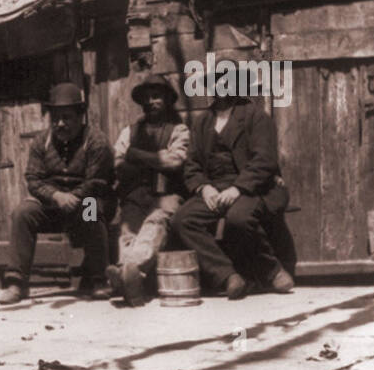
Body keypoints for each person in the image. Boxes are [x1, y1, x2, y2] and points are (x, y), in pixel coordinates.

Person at [0, 82, 115, 305]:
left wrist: (73, 197)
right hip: (53, 204)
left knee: (91, 208)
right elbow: (33, 179)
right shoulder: (41, 142)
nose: (60, 123)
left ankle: (100, 280)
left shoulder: (96, 141)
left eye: (67, 117)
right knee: (23, 212)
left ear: (81, 116)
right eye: (55, 118)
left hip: (85, 204)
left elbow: (97, 181)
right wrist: (56, 196)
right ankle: (16, 283)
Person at [171, 93, 294, 299]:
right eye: (218, 80)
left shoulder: (256, 117)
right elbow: (191, 165)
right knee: (182, 220)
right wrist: (203, 187)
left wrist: (238, 189)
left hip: (253, 186)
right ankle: (227, 276)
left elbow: (264, 160)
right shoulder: (203, 121)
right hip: (214, 188)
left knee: (238, 219)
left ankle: (272, 270)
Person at [105, 73, 190, 306]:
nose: (151, 102)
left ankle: (129, 272)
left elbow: (175, 161)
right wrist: (156, 158)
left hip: (167, 196)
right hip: (135, 194)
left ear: (167, 100)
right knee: (128, 228)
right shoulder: (129, 131)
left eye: (157, 97)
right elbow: (117, 162)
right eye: (147, 98)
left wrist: (136, 155)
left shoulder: (179, 130)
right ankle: (129, 278)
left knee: (155, 224)